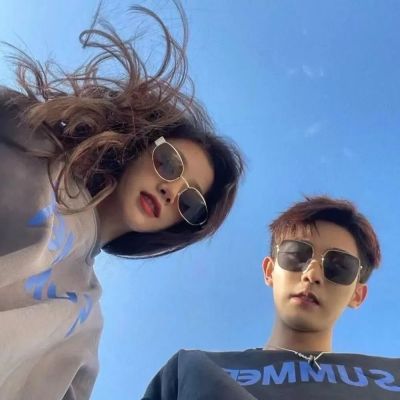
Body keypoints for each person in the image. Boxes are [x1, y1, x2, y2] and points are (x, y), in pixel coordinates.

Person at [0, 2, 244, 399]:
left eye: (189, 203)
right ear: (143, 144)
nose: (171, 191)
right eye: (169, 163)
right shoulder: (31, 136)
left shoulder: (86, 318)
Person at [142, 196, 400, 399]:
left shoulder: (393, 378)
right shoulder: (190, 371)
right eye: (296, 255)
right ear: (269, 270)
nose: (312, 274)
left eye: (339, 266)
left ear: (357, 294)